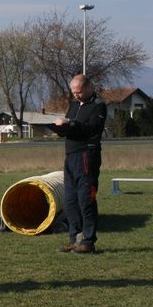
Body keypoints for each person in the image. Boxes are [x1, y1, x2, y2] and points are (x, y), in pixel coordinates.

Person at [52, 74, 107, 254]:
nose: (76, 95)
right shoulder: (74, 105)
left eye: (79, 92)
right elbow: (70, 127)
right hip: (70, 156)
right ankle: (74, 237)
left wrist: (71, 123)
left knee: (86, 199)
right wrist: (60, 128)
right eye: (74, 92)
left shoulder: (98, 106)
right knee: (70, 200)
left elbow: (92, 129)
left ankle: (88, 240)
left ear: (88, 88)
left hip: (86, 155)